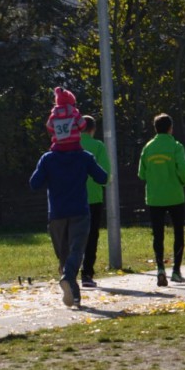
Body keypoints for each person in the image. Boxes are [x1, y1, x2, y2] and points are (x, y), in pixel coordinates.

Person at [29, 134, 108, 307]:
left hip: (56, 213)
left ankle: (74, 295)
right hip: (79, 211)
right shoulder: (84, 157)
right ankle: (68, 278)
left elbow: (34, 183)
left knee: (64, 255)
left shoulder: (47, 158)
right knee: (77, 250)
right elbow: (103, 178)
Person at [138, 113, 185, 286]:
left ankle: (160, 268)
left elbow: (141, 173)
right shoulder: (176, 146)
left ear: (155, 128)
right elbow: (183, 169)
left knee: (158, 235)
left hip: (155, 197)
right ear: (170, 128)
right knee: (178, 233)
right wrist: (183, 181)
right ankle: (176, 271)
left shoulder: (148, 147)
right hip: (175, 195)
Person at [78, 115, 109, 288]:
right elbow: (105, 174)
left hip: (73, 197)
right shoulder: (98, 146)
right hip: (93, 197)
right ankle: (87, 273)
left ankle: (68, 271)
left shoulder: (71, 145)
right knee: (91, 236)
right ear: (93, 129)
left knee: (74, 235)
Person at [45, 85, 86, 152]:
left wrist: (55, 131)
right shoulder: (74, 113)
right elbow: (83, 125)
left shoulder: (54, 115)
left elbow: (49, 126)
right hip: (74, 145)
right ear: (72, 104)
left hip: (58, 145)